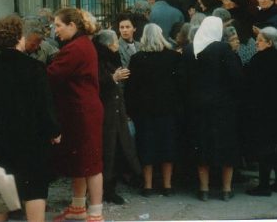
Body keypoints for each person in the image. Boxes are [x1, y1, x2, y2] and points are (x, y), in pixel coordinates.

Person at [0, 15, 60, 222]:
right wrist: (54, 131)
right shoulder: (35, 68)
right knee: (34, 190)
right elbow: (44, 106)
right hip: (31, 141)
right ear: (20, 38)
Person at [47, 8, 105, 222]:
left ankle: (96, 213)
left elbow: (52, 74)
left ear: (72, 25)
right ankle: (78, 207)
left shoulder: (75, 48)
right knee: (81, 161)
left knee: (90, 162)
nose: (55, 31)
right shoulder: (82, 45)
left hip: (82, 112)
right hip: (82, 110)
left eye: (58, 25)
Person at [186, 16, 242, 202]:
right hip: (223, 107)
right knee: (226, 147)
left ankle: (204, 189)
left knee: (202, 147)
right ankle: (226, 189)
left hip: (198, 107)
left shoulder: (190, 49)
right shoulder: (223, 49)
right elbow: (236, 78)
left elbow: (183, 79)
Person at [125, 23, 182, 197]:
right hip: (168, 110)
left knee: (146, 149)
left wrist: (131, 111)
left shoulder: (137, 58)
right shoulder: (173, 57)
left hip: (144, 112)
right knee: (167, 148)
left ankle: (148, 186)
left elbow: (130, 89)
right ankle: (167, 185)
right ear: (161, 35)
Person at [242, 27, 277, 197]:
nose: (256, 43)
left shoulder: (260, 59)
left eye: (260, 40)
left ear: (270, 42)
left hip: (263, 111)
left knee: (264, 147)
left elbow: (250, 85)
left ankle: (263, 185)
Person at [93, 30, 141, 205]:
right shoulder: (100, 59)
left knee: (116, 149)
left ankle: (111, 187)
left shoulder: (111, 57)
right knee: (108, 149)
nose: (117, 45)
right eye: (114, 42)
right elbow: (96, 83)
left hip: (116, 109)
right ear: (108, 44)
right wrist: (113, 78)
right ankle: (107, 189)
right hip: (107, 111)